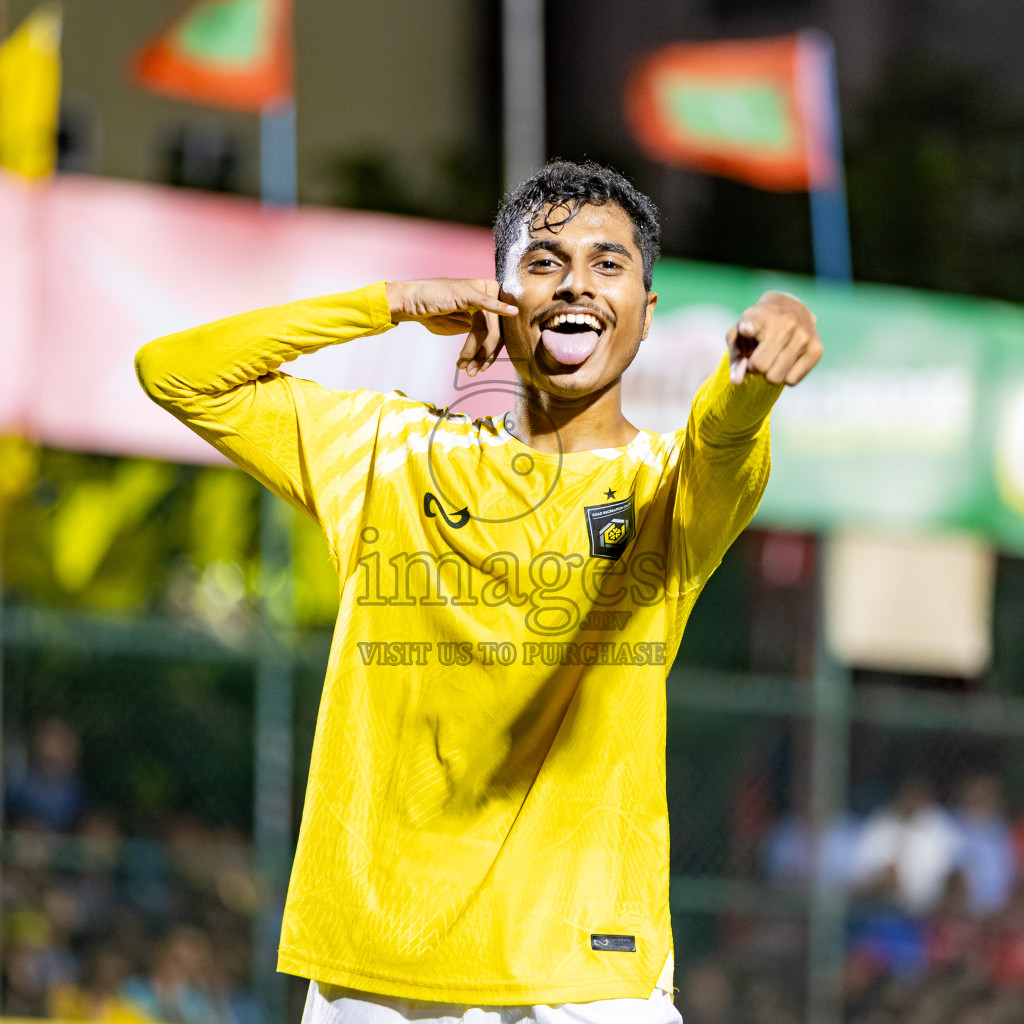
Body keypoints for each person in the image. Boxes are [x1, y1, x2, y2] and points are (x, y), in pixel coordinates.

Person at [135, 160, 823, 1024]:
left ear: (647, 314)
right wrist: (389, 301)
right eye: (543, 261)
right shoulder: (386, 454)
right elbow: (176, 372)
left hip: (586, 970)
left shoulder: (669, 491)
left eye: (609, 263)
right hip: (376, 972)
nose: (576, 282)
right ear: (498, 298)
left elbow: (724, 433)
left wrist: (764, 352)